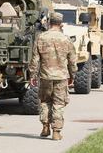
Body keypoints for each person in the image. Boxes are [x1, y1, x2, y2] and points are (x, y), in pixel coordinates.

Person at [29, 12, 77, 140]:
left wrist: (32, 75)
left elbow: (35, 59)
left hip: (45, 76)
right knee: (59, 103)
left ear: (49, 22)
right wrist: (72, 75)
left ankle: (45, 126)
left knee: (45, 101)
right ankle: (56, 131)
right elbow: (72, 61)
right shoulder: (66, 39)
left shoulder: (41, 37)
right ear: (61, 24)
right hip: (61, 77)